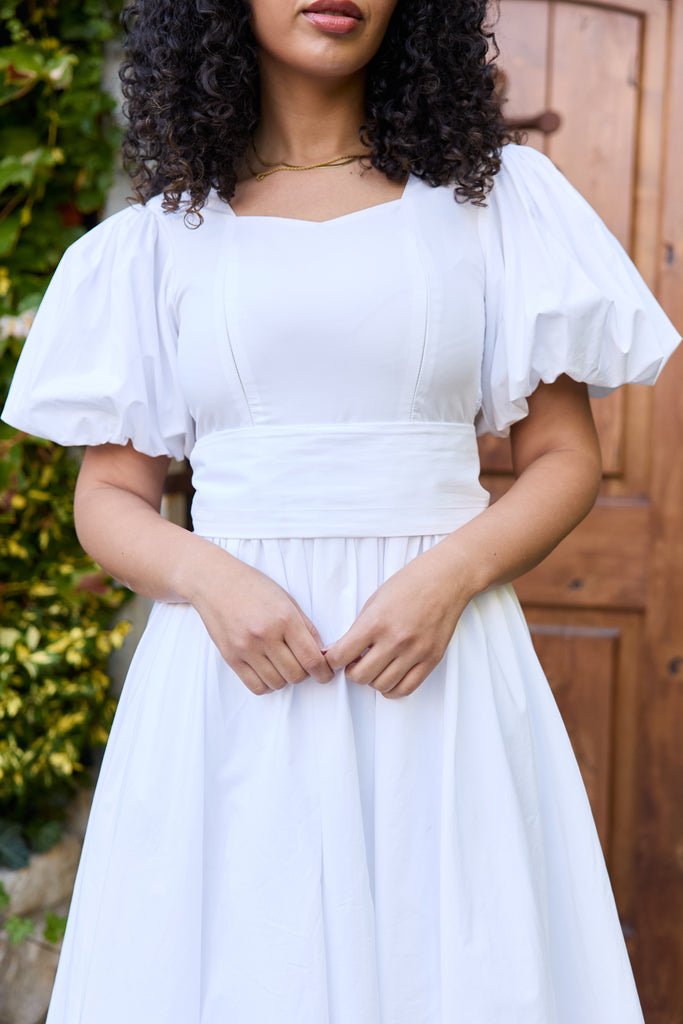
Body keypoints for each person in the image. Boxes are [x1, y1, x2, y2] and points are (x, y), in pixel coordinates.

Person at [2, 0, 680, 1021]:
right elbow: (108, 495)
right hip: (232, 682)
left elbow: (561, 458)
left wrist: (447, 578)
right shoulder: (153, 243)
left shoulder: (496, 205)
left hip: (440, 671)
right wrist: (207, 576)